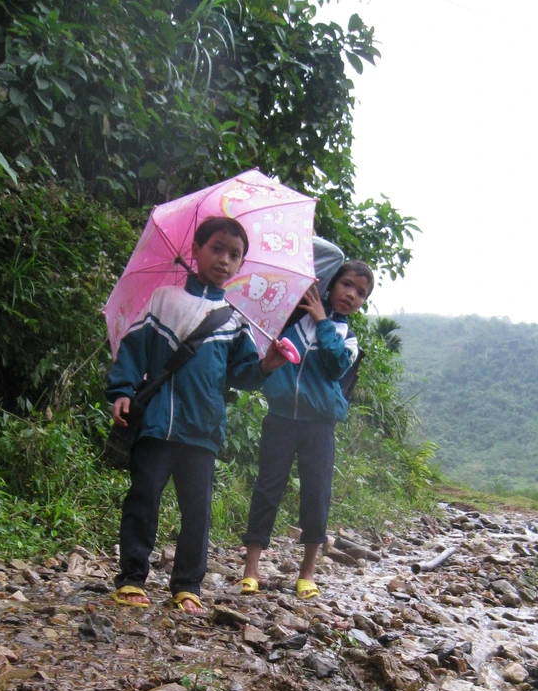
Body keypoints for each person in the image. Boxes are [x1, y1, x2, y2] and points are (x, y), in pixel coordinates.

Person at [106, 216, 288, 613]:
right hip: (157, 421)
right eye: (217, 249)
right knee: (143, 499)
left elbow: (242, 374)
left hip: (203, 428)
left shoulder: (236, 318)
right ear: (196, 251)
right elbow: (133, 349)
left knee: (198, 512)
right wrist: (121, 391)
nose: (224, 260)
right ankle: (132, 578)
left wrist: (268, 363)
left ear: (241, 266)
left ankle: (187, 585)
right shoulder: (163, 301)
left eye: (235, 255)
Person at [240, 257, 374, 599]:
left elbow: (334, 366)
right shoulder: (293, 319)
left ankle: (307, 572)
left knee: (316, 495)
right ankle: (251, 568)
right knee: (267, 488)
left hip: (319, 424)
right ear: (330, 284)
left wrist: (323, 320)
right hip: (282, 416)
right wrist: (309, 316)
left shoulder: (348, 337)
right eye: (347, 285)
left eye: (361, 293)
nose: (351, 295)